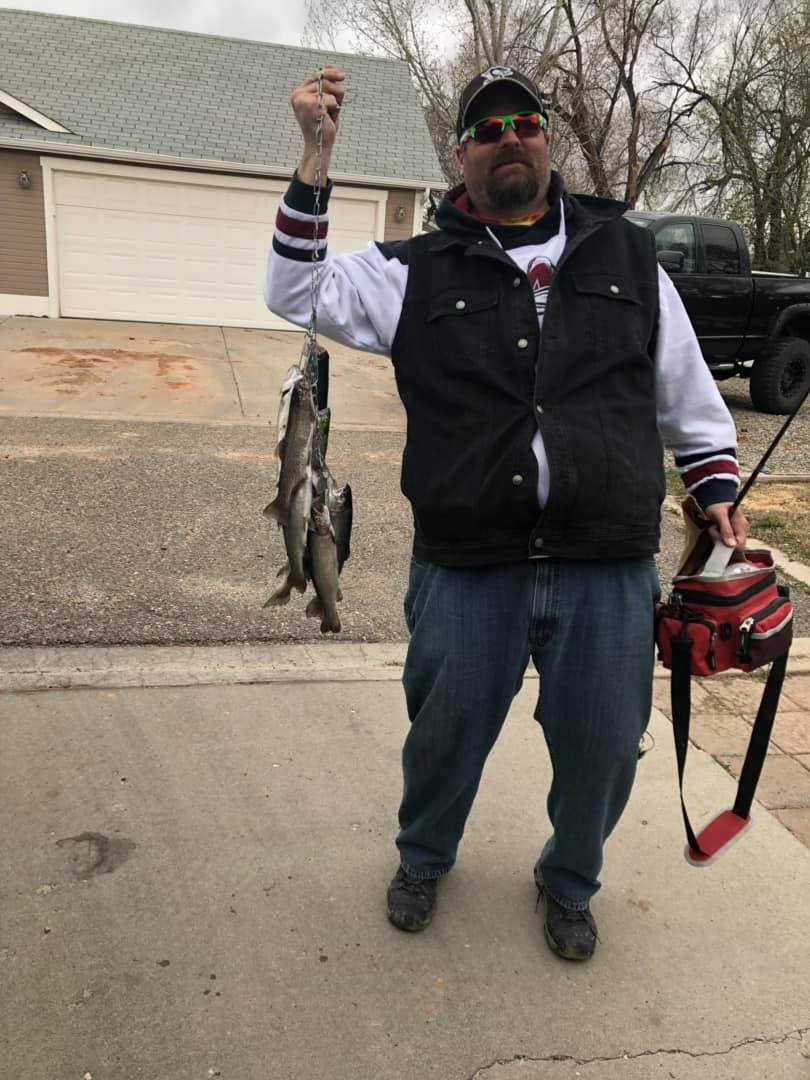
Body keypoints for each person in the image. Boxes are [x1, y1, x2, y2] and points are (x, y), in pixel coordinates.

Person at [264, 65, 748, 961]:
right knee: (444, 736)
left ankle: (569, 881)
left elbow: (685, 394)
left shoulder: (627, 257)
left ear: (547, 139)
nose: (509, 137)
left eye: (524, 121)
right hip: (466, 562)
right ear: (463, 156)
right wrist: (314, 156)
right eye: (487, 129)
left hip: (606, 562)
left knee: (605, 747)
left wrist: (716, 487)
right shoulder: (414, 267)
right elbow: (296, 294)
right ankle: (423, 857)